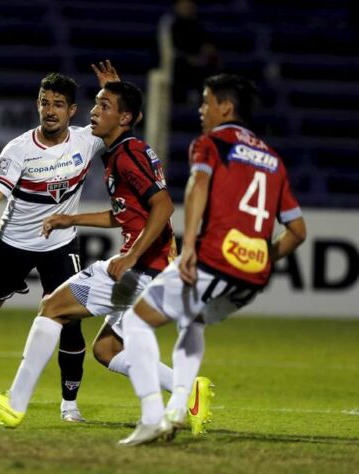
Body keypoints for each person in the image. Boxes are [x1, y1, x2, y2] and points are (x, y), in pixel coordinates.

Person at [0, 80, 211, 432]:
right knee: (107, 351)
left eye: (103, 106)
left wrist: (130, 257)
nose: (94, 113)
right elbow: (127, 214)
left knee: (53, 307)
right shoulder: (121, 151)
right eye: (95, 105)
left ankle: (14, 402)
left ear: (124, 117)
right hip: (154, 269)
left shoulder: (126, 155)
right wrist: (71, 218)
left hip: (139, 268)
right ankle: (189, 392)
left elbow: (163, 207)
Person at [117, 74, 307, 446]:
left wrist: (188, 248)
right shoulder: (272, 159)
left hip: (213, 260)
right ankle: (175, 412)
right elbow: (298, 230)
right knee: (194, 321)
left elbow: (198, 185)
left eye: (206, 101)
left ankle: (151, 416)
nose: (202, 109)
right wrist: (264, 258)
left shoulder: (211, 143)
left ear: (226, 107)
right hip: (252, 276)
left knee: (136, 322)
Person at [0, 64, 115, 422]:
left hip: (60, 245)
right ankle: (6, 285)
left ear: (72, 111)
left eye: (58, 104)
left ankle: (69, 404)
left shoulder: (87, 140)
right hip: (14, 244)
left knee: (70, 319)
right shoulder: (19, 149)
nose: (49, 110)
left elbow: (121, 121)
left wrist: (114, 90)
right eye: (44, 103)